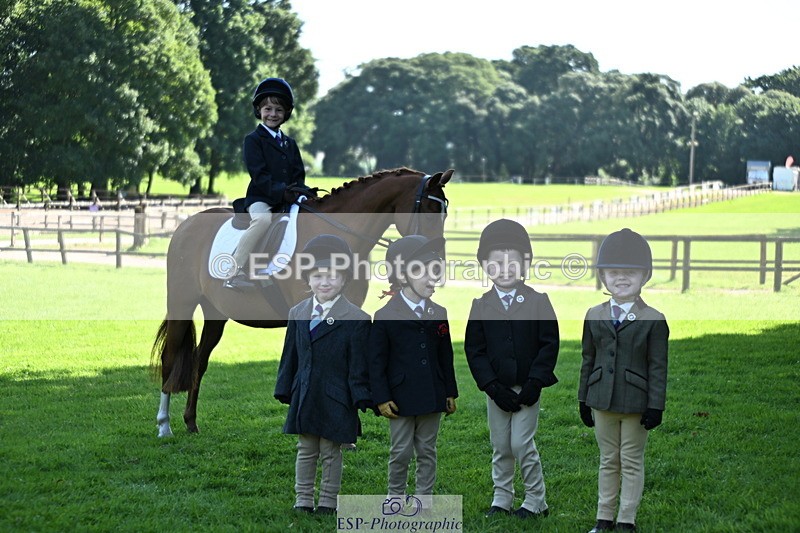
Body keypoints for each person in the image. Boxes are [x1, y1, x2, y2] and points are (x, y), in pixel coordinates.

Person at [464, 219, 559, 520]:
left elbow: (549, 344)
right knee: (500, 445)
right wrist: (491, 386)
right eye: (497, 263)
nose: (505, 269)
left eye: (512, 262)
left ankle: (536, 500)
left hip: (527, 388)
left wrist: (535, 382)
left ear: (525, 264)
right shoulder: (481, 305)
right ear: (485, 266)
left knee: (520, 442)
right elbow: (474, 350)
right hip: (497, 390)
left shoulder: (538, 302)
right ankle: (502, 498)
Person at [578, 228, 669, 533]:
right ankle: (604, 518)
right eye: (614, 272)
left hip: (636, 404)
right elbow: (587, 359)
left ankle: (626, 520)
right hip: (601, 400)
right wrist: (583, 398)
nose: (621, 278)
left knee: (630, 460)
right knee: (607, 460)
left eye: (630, 272)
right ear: (603, 276)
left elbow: (658, 367)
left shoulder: (654, 319)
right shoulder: (593, 314)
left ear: (644, 276)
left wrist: (656, 405)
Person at [274, 234, 372, 515]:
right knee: (305, 449)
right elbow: (290, 356)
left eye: (332, 276)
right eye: (317, 276)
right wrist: (285, 389)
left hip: (337, 397)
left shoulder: (357, 319)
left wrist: (360, 397)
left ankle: (328, 501)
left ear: (343, 281)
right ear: (308, 280)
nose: (324, 282)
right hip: (305, 393)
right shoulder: (297, 312)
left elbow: (359, 366)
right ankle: (302, 499)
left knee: (331, 451)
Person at [369, 235, 458, 507]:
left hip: (432, 394)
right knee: (400, 452)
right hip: (400, 398)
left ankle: (424, 500)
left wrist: (450, 391)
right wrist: (381, 397)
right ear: (403, 275)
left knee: (427, 450)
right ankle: (394, 497)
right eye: (424, 272)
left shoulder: (439, 311)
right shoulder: (384, 316)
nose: (432, 279)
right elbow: (376, 362)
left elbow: (446, 355)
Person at [226, 77, 306, 289]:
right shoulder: (253, 140)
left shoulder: (290, 143)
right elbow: (258, 175)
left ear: (286, 113)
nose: (273, 114)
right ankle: (235, 270)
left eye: (278, 110)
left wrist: (302, 191)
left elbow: (298, 173)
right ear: (259, 110)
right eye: (268, 109)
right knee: (263, 221)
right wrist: (282, 192)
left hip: (287, 199)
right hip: (261, 197)